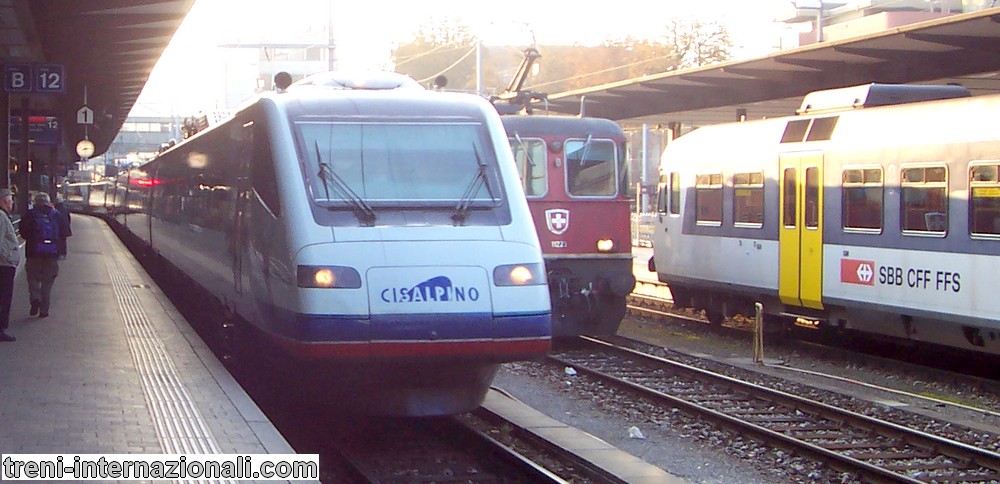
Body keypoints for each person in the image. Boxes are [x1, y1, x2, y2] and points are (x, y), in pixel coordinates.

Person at [19, 193, 67, 318]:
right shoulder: (57, 215)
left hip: (33, 253)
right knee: (47, 281)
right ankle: (44, 310)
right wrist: (61, 251)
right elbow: (65, 233)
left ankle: (35, 298)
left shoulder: (30, 214)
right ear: (48, 201)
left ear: (36, 202)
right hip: (52, 254)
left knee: (32, 277)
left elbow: (23, 232)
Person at [0, 188, 19, 341]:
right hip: (4, 266)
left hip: (5, 264)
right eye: (11, 200)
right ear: (4, 200)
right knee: (4, 297)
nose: (12, 203)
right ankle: (1, 329)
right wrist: (6, 258)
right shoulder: (1, 216)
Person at [53, 195, 72, 260]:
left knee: (59, 241)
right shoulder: (65, 208)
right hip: (65, 228)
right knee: (63, 241)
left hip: (59, 228)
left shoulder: (56, 209)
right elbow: (69, 218)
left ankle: (60, 253)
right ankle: (63, 254)